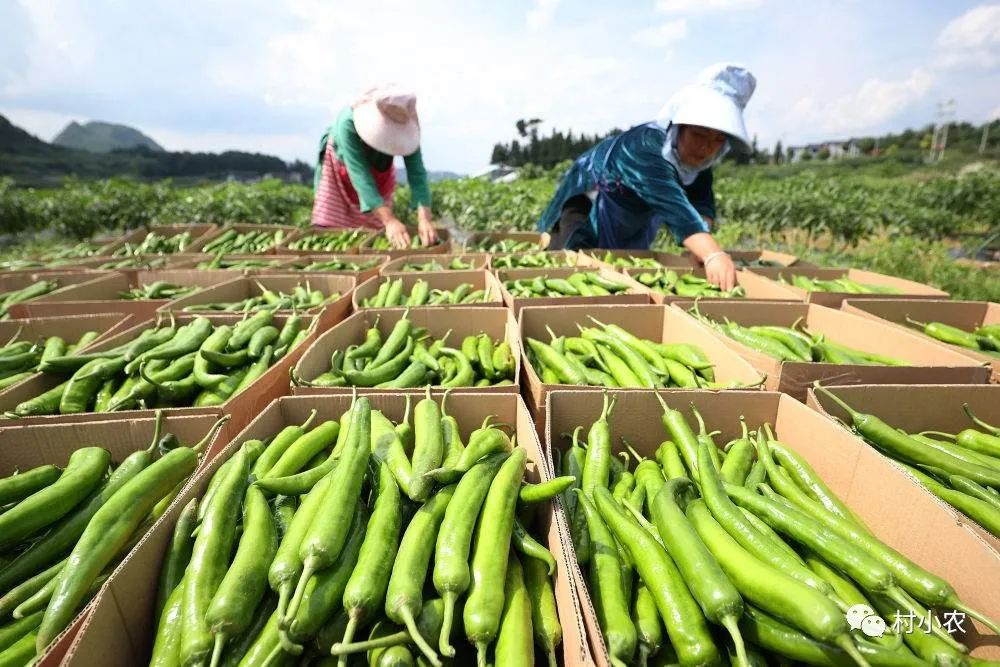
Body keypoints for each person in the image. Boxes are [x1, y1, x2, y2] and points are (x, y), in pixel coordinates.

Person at [537, 63, 756, 291]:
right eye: (699, 134)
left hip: (631, 211)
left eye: (718, 140)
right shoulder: (643, 147)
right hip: (588, 201)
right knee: (572, 267)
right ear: (679, 126)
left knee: (623, 270)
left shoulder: (696, 161)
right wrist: (711, 254)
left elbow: (701, 204)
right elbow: (676, 209)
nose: (706, 148)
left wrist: (701, 242)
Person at [311, 85, 438, 249]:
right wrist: (390, 220)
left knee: (376, 236)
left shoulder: (405, 120)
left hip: (379, 170)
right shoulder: (347, 123)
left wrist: (424, 219)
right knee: (332, 228)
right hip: (342, 169)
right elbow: (360, 176)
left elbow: (417, 174)